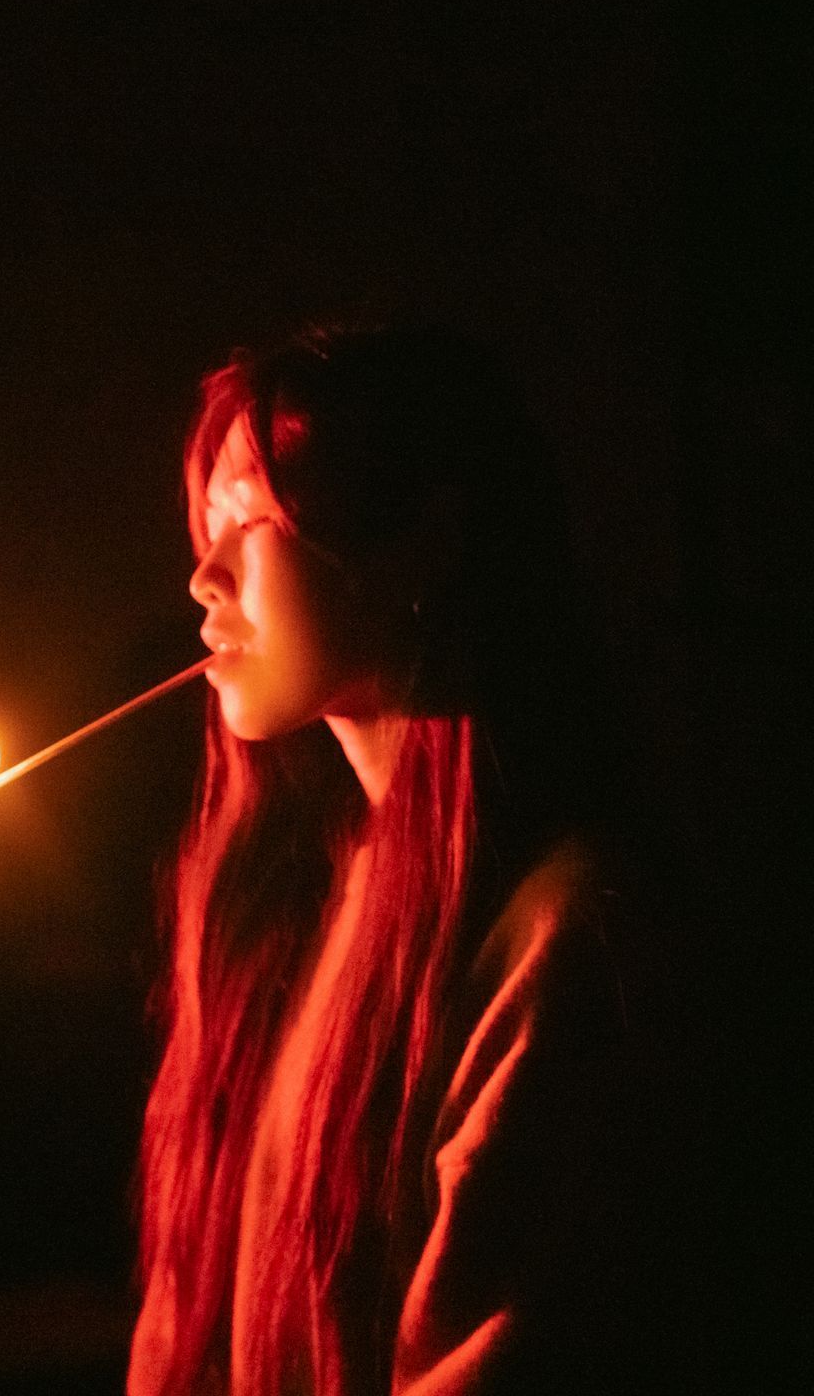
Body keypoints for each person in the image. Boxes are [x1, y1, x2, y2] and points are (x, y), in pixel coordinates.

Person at [130, 327, 639, 1395]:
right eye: (205, 526)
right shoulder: (290, 908)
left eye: (253, 521)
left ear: (422, 544)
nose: (202, 577)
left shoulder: (564, 939)